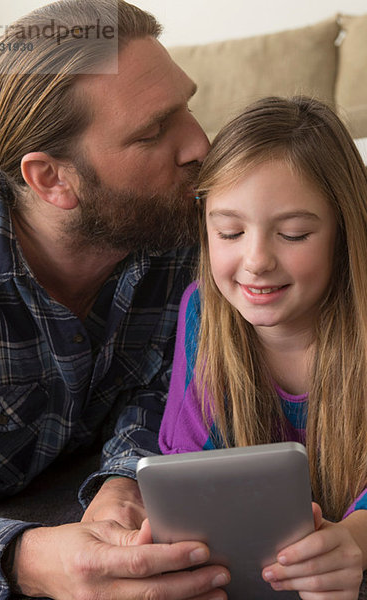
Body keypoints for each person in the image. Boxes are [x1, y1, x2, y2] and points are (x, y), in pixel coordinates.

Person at [0, 0, 232, 598]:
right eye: (153, 131)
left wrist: (122, 481)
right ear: (52, 179)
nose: (201, 145)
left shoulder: (186, 226)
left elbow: (165, 384)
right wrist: (26, 559)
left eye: (187, 107)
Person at [159, 95, 367, 599]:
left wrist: (356, 540)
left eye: (293, 234)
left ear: (344, 231)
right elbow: (185, 470)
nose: (255, 261)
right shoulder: (201, 313)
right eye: (230, 231)